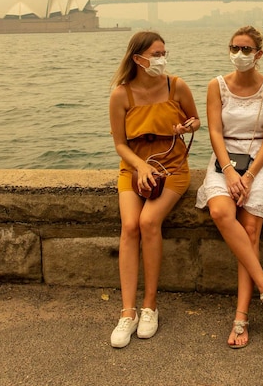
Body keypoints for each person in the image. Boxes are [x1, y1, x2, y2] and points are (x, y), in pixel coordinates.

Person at [108, 30, 200, 348]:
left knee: (149, 222)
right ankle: (127, 312)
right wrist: (140, 166)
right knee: (130, 226)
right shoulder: (121, 94)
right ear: (138, 59)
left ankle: (150, 306)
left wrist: (187, 125)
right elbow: (120, 144)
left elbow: (196, 121)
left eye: (164, 53)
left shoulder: (177, 86)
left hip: (172, 168)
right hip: (133, 169)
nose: (162, 60)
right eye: (155, 54)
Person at [196, 26, 263, 349]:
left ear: (259, 54)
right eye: (235, 48)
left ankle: (241, 316)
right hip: (225, 160)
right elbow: (215, 133)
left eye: (247, 49)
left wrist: (248, 177)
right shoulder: (215, 86)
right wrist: (231, 173)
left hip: (258, 163)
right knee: (221, 211)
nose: (240, 54)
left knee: (249, 230)